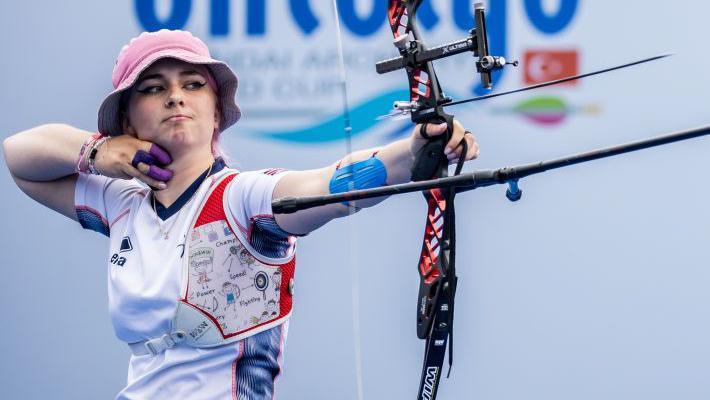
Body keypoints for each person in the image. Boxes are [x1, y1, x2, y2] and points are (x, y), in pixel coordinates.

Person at [2, 29, 479, 399]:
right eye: (153, 88)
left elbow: (329, 185)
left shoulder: (242, 198)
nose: (175, 97)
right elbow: (19, 159)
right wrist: (99, 151)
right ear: (128, 120)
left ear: (216, 111)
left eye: (193, 84)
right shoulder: (122, 205)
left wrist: (415, 148)